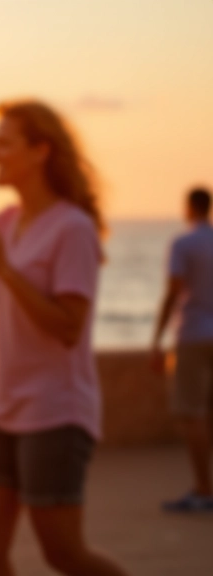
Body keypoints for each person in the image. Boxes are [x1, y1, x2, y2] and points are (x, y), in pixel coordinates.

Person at [0, 100, 129, 576]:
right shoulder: (6, 219)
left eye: (4, 143)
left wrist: (4, 267)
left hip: (56, 411)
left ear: (40, 152)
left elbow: (67, 327)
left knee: (63, 554)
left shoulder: (73, 229)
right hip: (0, 406)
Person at [150, 186, 213, 512]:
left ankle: (204, 488)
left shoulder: (183, 244)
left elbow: (173, 292)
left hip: (193, 335)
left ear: (189, 208)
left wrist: (157, 339)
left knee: (194, 415)